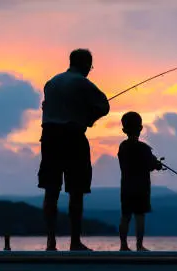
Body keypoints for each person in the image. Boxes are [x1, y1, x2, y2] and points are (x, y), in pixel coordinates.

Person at [38, 48, 110, 251]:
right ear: (86, 65)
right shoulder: (83, 83)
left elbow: (46, 108)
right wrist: (90, 118)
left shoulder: (50, 83)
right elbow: (104, 106)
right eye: (91, 66)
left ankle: (50, 242)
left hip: (49, 138)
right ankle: (75, 241)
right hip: (73, 137)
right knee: (76, 192)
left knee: (51, 191)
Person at [117, 111, 164, 251]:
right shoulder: (144, 148)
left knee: (125, 216)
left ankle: (123, 246)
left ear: (124, 129)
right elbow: (151, 165)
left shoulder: (122, 147)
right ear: (141, 128)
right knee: (139, 216)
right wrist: (157, 164)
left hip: (126, 187)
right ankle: (139, 246)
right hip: (141, 188)